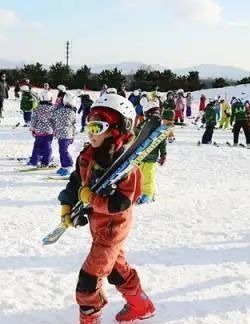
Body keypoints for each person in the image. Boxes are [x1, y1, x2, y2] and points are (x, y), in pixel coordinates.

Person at [57, 93, 155, 324]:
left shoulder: (126, 167)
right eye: (89, 124)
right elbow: (75, 181)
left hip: (112, 230)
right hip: (99, 226)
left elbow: (121, 203)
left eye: (97, 126)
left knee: (88, 281)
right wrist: (67, 204)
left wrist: (92, 199)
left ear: (117, 129)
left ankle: (90, 318)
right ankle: (142, 306)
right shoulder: (88, 155)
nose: (90, 131)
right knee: (116, 269)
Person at [135, 98, 167, 204]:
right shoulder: (149, 121)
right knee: (141, 174)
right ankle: (142, 192)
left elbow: (162, 139)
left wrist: (163, 154)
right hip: (143, 154)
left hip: (149, 155)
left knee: (147, 176)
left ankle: (148, 194)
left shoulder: (155, 121)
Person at [52, 92, 78, 176]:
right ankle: (64, 166)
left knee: (63, 150)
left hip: (66, 134)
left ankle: (69, 165)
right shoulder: (71, 111)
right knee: (62, 150)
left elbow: (54, 119)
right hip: (64, 134)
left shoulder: (62, 111)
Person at [27, 91, 56, 166]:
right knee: (48, 147)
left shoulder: (36, 108)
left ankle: (34, 161)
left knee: (37, 146)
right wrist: (55, 129)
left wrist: (32, 129)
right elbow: (55, 120)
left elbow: (33, 120)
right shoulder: (53, 109)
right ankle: (46, 161)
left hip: (39, 132)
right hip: (49, 132)